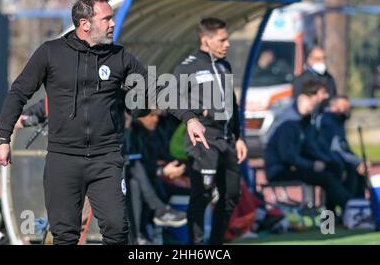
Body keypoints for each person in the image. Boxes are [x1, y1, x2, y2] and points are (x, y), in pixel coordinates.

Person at [0, 0, 208, 245]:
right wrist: (3, 137)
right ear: (85, 24)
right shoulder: (50, 53)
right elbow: (19, 92)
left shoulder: (120, 57)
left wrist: (190, 118)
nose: (113, 24)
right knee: (65, 236)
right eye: (106, 19)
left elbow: (157, 87)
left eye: (112, 18)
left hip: (106, 158)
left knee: (117, 231)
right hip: (63, 159)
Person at [172, 17, 248, 245]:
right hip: (203, 141)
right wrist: (198, 111)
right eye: (222, 40)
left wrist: (239, 136)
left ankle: (216, 245)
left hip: (227, 141)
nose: (228, 44)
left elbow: (233, 105)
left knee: (232, 196)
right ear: (206, 40)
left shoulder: (225, 65)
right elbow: (172, 99)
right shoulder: (187, 67)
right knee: (202, 195)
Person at [264, 80, 352, 213]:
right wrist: (312, 165)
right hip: (280, 170)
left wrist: (327, 161)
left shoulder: (302, 123)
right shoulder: (288, 124)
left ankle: (338, 215)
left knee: (335, 168)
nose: (311, 110)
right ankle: (349, 207)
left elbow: (309, 147)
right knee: (325, 177)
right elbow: (287, 156)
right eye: (309, 106)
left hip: (294, 166)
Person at [124, 110, 188, 245]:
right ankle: (146, 229)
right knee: (135, 182)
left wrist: (178, 168)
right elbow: (135, 165)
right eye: (151, 115)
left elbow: (160, 156)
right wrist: (161, 171)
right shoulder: (132, 133)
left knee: (194, 191)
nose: (155, 119)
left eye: (156, 115)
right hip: (135, 183)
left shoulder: (151, 132)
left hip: (154, 184)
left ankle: (145, 234)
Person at [317, 96, 367, 198]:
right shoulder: (329, 122)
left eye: (349, 107)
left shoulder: (338, 120)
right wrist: (357, 162)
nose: (347, 111)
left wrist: (360, 160)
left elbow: (345, 148)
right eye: (344, 107)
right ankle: (349, 205)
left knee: (361, 170)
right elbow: (337, 149)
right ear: (334, 108)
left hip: (336, 157)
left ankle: (358, 205)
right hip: (328, 158)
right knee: (352, 169)